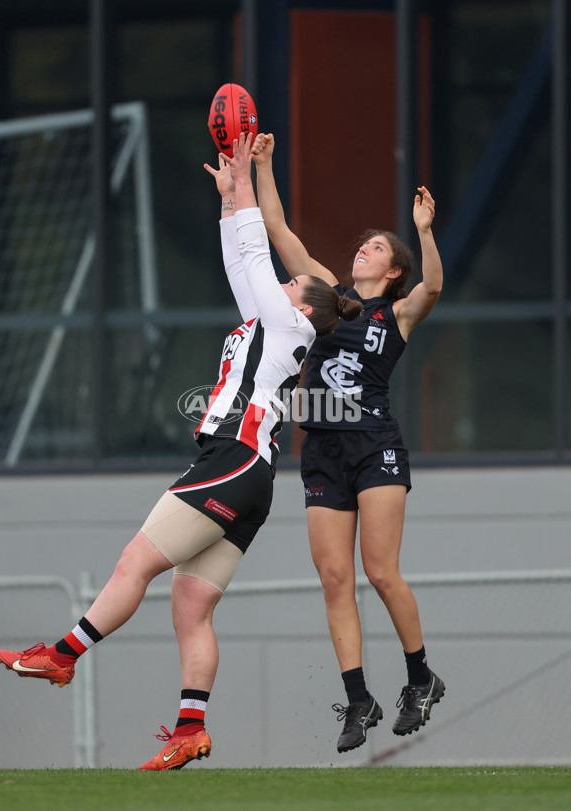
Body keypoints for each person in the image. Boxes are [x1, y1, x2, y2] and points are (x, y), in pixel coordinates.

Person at [0, 132, 361, 771]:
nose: (285, 278)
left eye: (294, 279)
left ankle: (63, 654)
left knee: (134, 562)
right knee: (191, 608)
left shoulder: (288, 319)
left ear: (303, 302)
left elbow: (254, 254)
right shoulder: (275, 320)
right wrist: (229, 199)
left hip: (233, 460)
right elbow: (241, 263)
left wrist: (244, 176)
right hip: (251, 475)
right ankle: (191, 728)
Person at [251, 132, 445, 753]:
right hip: (324, 451)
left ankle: (421, 678)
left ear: (391, 270)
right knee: (335, 577)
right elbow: (279, 228)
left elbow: (434, 287)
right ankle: (358, 697)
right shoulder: (328, 298)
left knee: (380, 572)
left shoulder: (397, 313)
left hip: (376, 446)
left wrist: (423, 230)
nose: (364, 248)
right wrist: (263, 165)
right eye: (363, 243)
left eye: (377, 247)